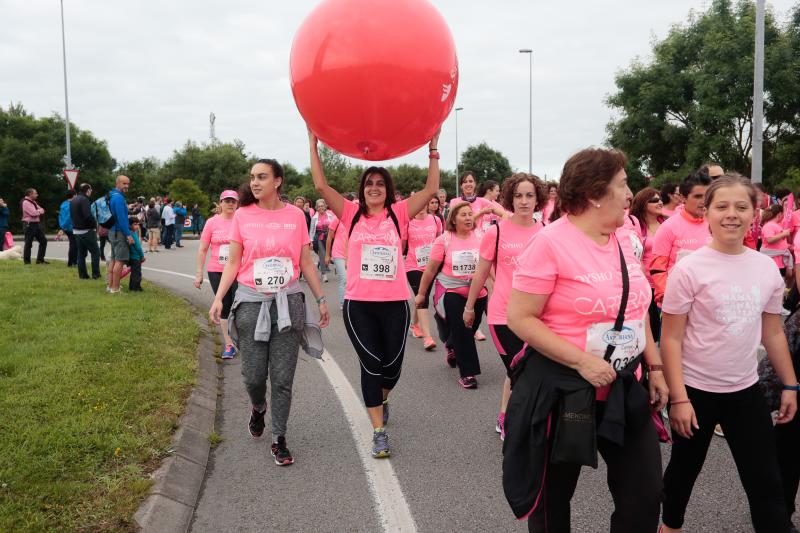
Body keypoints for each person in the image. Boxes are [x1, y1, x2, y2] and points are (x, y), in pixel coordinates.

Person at [504, 148, 668, 533]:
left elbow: (635, 308)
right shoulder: (549, 243)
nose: (631, 194)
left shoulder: (626, 238)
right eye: (623, 184)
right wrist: (581, 361)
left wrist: (655, 366)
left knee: (644, 499)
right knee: (552, 505)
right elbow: (519, 317)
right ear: (595, 193)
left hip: (623, 385)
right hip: (562, 389)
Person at [660, 174, 798, 533]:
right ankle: (670, 526)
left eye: (741, 206)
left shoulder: (765, 268)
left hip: (744, 391)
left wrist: (790, 385)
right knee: (684, 469)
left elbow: (772, 333)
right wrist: (679, 399)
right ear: (706, 212)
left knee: (766, 483)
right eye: (722, 206)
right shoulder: (688, 269)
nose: (731, 214)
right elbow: (671, 339)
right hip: (695, 392)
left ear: (755, 213)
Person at [309, 126, 440, 458]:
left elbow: (431, 188)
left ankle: (383, 398)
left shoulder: (399, 214)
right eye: (369, 183)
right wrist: (313, 143)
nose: (374, 188)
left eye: (380, 184)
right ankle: (378, 432)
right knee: (371, 365)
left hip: (395, 303)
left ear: (388, 190)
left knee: (392, 369)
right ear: (362, 189)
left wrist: (433, 150)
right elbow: (321, 185)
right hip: (359, 305)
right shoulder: (351, 214)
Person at [209, 159, 329, 467]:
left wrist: (321, 297)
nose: (255, 182)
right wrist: (219, 298)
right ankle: (258, 406)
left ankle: (279, 438)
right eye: (252, 177)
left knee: (282, 378)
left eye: (262, 177)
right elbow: (233, 262)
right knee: (252, 376)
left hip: (288, 304)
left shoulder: (295, 217)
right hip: (250, 303)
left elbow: (305, 262)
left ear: (278, 181)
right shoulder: (243, 216)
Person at [464, 173, 545, 437]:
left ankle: (504, 414)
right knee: (518, 369)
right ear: (509, 198)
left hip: (538, 317)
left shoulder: (546, 232)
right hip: (503, 316)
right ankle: (518, 424)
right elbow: (481, 272)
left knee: (524, 371)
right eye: (518, 195)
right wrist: (470, 306)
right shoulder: (496, 231)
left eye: (529, 195)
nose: (523, 201)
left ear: (538, 199)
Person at [415, 202, 485, 388]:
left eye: (470, 214)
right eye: (463, 214)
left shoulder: (481, 236)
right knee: (463, 328)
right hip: (451, 289)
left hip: (477, 291)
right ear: (453, 219)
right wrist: (421, 294)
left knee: (471, 327)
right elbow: (430, 270)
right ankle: (468, 373)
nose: (469, 217)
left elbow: (489, 266)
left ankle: (452, 345)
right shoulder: (444, 239)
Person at [650, 172, 712, 304]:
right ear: (683, 198)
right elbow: (658, 268)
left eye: (707, 196)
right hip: (677, 301)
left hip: (710, 300)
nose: (704, 201)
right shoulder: (668, 227)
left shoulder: (715, 223)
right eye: (698, 196)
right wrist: (666, 296)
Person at [195, 190, 240, 359]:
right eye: (227, 201)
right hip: (216, 270)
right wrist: (199, 273)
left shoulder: (241, 220)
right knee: (224, 306)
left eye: (233, 201)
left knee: (240, 305)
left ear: (237, 203)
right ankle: (229, 344)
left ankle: (242, 338)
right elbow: (203, 249)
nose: (230, 204)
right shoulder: (212, 223)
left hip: (238, 270)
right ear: (220, 203)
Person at [406, 193, 443, 351]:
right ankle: (428, 337)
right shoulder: (407, 222)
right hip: (413, 265)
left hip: (430, 266)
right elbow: (401, 245)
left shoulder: (436, 220)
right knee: (423, 298)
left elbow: (440, 241)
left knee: (421, 296)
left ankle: (414, 325)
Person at [630, 187, 664, 342]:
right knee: (651, 326)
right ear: (644, 204)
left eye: (660, 199)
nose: (660, 202)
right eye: (654, 200)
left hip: (665, 282)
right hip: (646, 284)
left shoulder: (667, 224)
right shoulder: (636, 226)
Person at [324, 193, 354, 309]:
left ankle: (351, 300)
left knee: (351, 279)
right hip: (338, 253)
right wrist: (327, 255)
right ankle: (343, 303)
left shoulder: (356, 218)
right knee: (344, 278)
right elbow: (329, 237)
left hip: (352, 254)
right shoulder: (337, 218)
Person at [108, 175, 134, 294]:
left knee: (114, 259)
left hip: (112, 231)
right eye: (124, 184)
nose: (126, 186)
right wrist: (128, 234)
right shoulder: (118, 198)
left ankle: (111, 285)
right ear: (117, 183)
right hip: (119, 232)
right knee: (120, 260)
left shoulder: (112, 196)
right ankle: (115, 288)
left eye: (128, 184)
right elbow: (122, 218)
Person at [70, 183, 101, 280]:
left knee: (81, 254)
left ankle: (83, 275)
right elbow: (87, 216)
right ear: (87, 190)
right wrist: (94, 224)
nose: (91, 191)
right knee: (96, 252)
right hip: (86, 230)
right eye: (90, 190)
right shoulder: (85, 200)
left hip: (76, 230)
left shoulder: (73, 199)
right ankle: (96, 274)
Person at [760, 204, 792, 277]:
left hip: (779, 259)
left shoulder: (775, 225)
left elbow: (779, 242)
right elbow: (769, 239)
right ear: (780, 214)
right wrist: (784, 234)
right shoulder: (769, 225)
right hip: (773, 260)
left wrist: (788, 246)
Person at [309, 199, 336, 282]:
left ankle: (337, 268)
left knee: (333, 254)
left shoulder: (330, 215)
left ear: (325, 207)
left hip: (330, 237)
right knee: (322, 255)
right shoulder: (314, 218)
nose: (321, 208)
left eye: (322, 206)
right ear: (317, 207)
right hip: (320, 238)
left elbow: (335, 226)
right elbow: (312, 230)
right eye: (319, 206)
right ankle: (324, 274)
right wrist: (311, 241)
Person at [21, 188, 48, 265]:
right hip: (29, 224)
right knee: (28, 243)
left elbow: (42, 210)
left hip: (36, 224)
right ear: (30, 194)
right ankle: (27, 262)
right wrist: (39, 211)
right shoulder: (26, 202)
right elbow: (33, 213)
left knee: (43, 241)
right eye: (35, 193)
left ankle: (40, 260)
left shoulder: (33, 202)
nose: (37, 195)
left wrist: (39, 211)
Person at [57, 191, 77, 267]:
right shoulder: (71, 205)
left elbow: (60, 216)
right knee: (74, 245)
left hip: (65, 227)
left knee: (73, 245)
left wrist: (61, 227)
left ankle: (72, 262)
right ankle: (72, 262)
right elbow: (68, 218)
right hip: (70, 227)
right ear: (74, 195)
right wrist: (63, 228)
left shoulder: (63, 204)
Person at [127, 217, 145, 292]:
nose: (137, 226)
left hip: (131, 256)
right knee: (137, 274)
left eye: (137, 224)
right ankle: (136, 288)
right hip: (135, 257)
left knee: (133, 273)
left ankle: (131, 286)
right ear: (130, 225)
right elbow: (138, 247)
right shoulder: (133, 234)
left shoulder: (129, 233)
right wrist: (142, 256)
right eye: (135, 224)